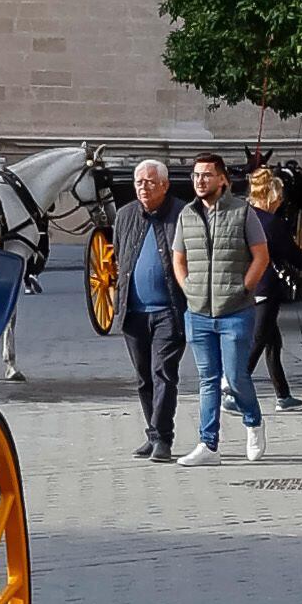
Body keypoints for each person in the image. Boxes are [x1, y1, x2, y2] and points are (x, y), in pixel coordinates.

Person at [174, 150, 267, 463]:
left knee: (237, 376)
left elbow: (261, 256)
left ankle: (253, 421)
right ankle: (208, 444)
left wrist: (244, 288)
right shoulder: (186, 214)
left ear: (222, 180)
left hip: (235, 311)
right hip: (198, 311)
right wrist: (188, 287)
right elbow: (179, 257)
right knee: (207, 379)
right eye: (196, 175)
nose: (200, 180)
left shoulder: (242, 212)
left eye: (207, 175)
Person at [117, 157, 185, 461]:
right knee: (144, 377)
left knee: (163, 373)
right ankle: (152, 432)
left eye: (150, 182)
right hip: (133, 312)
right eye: (139, 182)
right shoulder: (125, 215)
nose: (143, 188)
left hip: (169, 310)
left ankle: (163, 439)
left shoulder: (183, 215)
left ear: (165, 185)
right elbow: (121, 258)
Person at [248, 160, 302, 414]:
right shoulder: (270, 223)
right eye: (279, 196)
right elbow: (290, 252)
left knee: (273, 341)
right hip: (265, 286)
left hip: (258, 284)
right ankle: (233, 385)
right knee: (260, 338)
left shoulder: (251, 216)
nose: (281, 200)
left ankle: (283, 394)